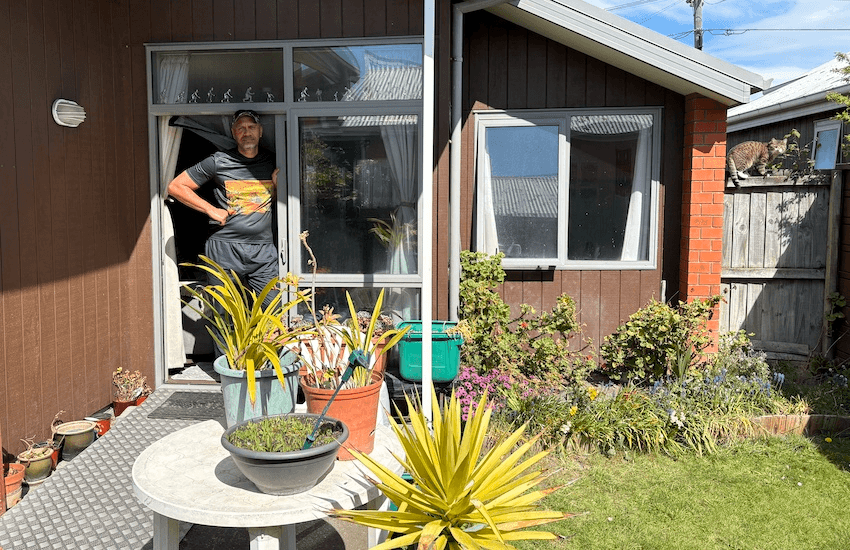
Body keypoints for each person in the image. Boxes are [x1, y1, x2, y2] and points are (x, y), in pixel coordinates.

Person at [168, 109, 281, 306]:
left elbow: (275, 202)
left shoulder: (273, 161)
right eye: (241, 128)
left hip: (263, 252)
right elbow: (176, 186)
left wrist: (278, 186)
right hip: (225, 250)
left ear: (260, 131)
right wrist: (210, 209)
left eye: (251, 127)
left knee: (272, 311)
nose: (247, 132)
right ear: (233, 132)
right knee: (223, 313)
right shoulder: (218, 161)